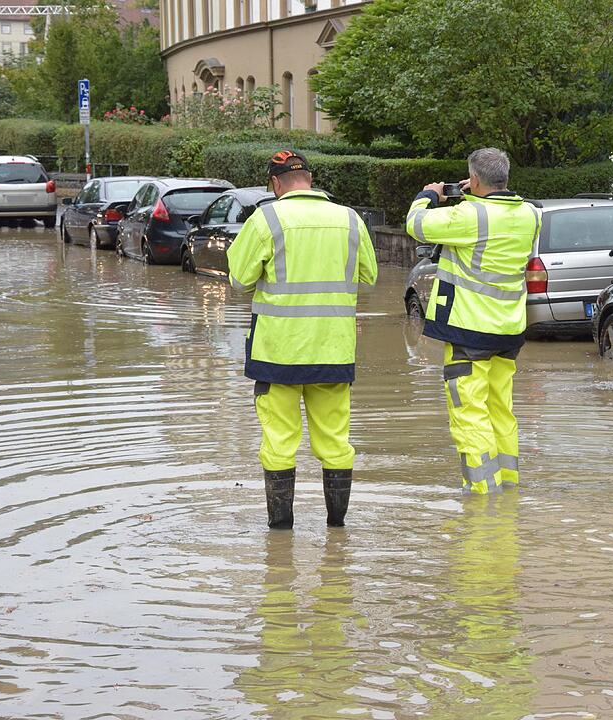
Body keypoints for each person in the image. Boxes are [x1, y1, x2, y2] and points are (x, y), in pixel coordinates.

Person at [227, 150, 378, 529]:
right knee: (336, 442)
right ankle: (337, 529)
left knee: (279, 442)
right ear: (310, 180)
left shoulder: (266, 219)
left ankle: (280, 535)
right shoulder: (350, 219)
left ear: (275, 184)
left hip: (277, 354)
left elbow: (239, 280)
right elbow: (369, 279)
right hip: (333, 351)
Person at [406, 148, 541, 494]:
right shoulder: (530, 214)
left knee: (469, 413)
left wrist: (428, 195)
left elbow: (416, 224)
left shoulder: (468, 216)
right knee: (500, 410)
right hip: (508, 331)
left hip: (469, 331)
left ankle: (483, 497)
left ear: (475, 179)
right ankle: (508, 486)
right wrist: (475, 194)